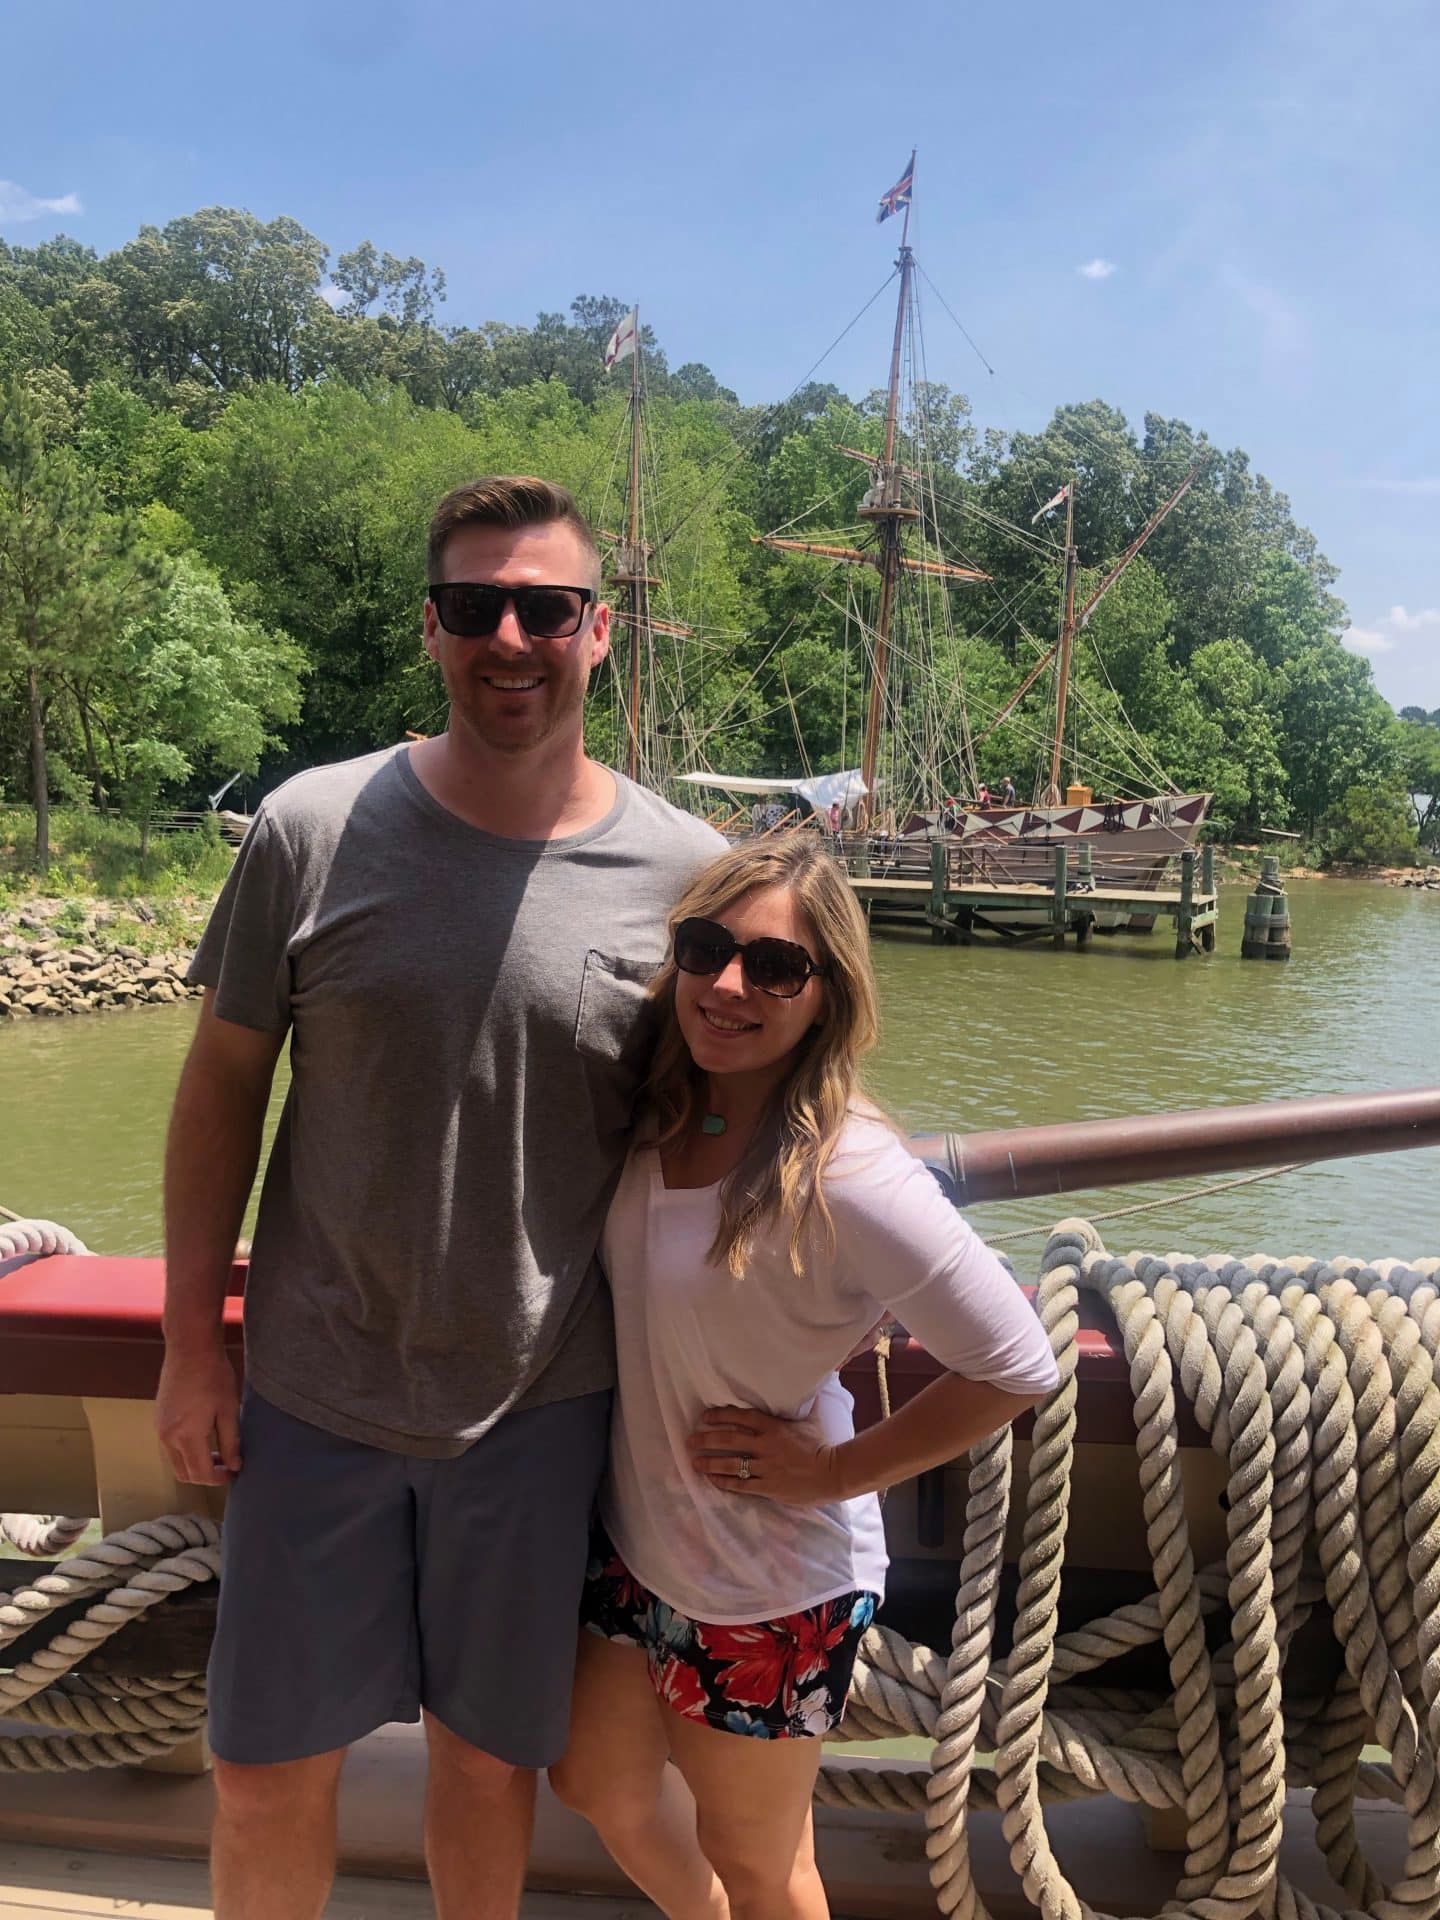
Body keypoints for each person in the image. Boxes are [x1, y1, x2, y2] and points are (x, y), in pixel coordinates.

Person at [157, 475, 723, 1920]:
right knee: (264, 1772)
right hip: (310, 1387)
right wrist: (188, 1343)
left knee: (487, 1771)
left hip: (544, 1407)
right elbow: (221, 1088)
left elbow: (755, 1117)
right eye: (479, 608)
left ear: (603, 634)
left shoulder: (687, 877)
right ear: (434, 629)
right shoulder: (313, 826)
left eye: (548, 608)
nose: (512, 638)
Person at [549, 835, 1058, 1920]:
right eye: (705, 949)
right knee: (592, 1781)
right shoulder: (663, 1106)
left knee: (766, 1863)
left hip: (764, 1585)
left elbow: (1014, 1362)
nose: (729, 986)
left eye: (776, 968)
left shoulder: (849, 1169)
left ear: (828, 995)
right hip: (636, 1542)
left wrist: (833, 1473)